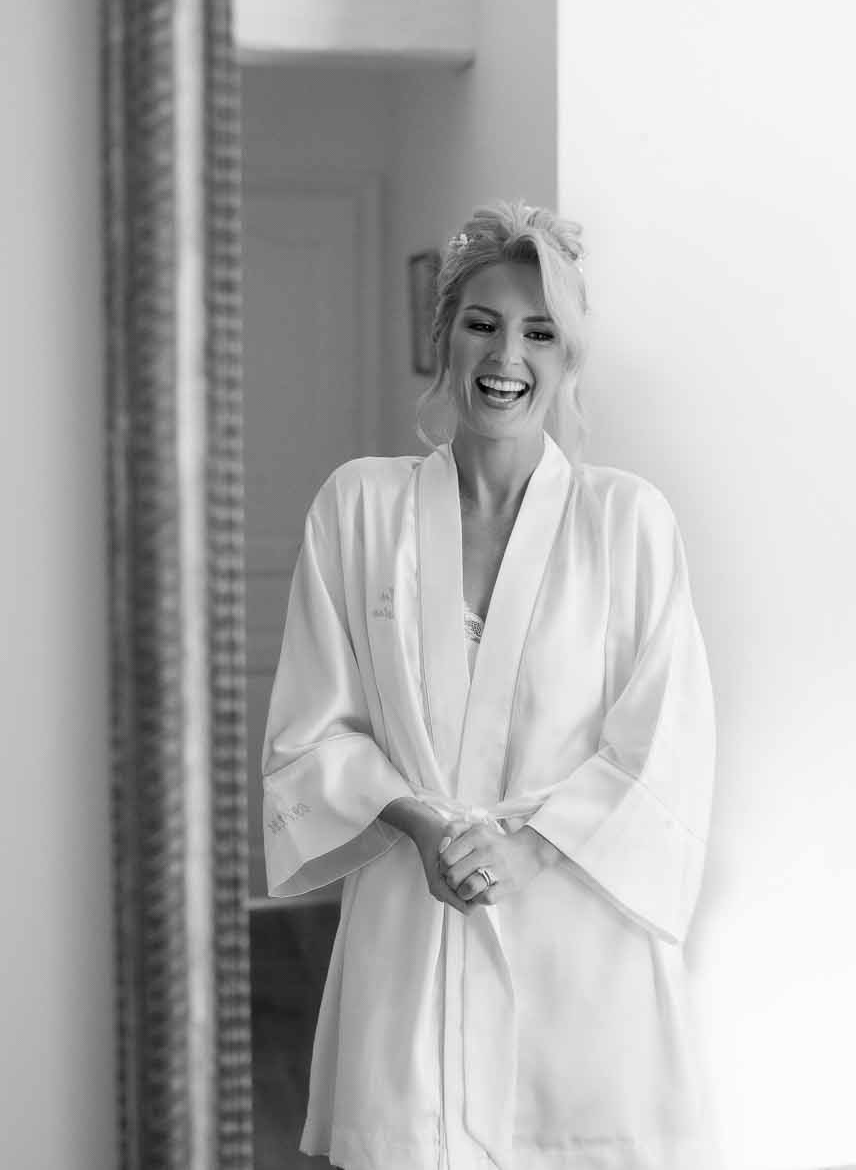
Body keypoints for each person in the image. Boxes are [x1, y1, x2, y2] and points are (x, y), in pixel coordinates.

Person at [260, 200, 718, 1170]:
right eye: (482, 322)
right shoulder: (359, 511)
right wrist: (424, 829)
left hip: (580, 959)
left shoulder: (626, 526)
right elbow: (312, 733)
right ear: (443, 336)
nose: (506, 355)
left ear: (567, 361)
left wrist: (525, 851)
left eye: (539, 332)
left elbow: (663, 748)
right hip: (410, 932)